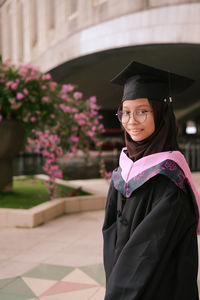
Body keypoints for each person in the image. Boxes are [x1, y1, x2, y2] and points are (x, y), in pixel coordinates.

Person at [102, 61, 200, 300]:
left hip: (158, 287)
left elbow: (148, 250)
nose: (131, 121)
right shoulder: (123, 170)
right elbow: (110, 232)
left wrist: (118, 291)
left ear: (161, 114)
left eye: (142, 111)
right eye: (126, 112)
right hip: (122, 280)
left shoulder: (169, 178)